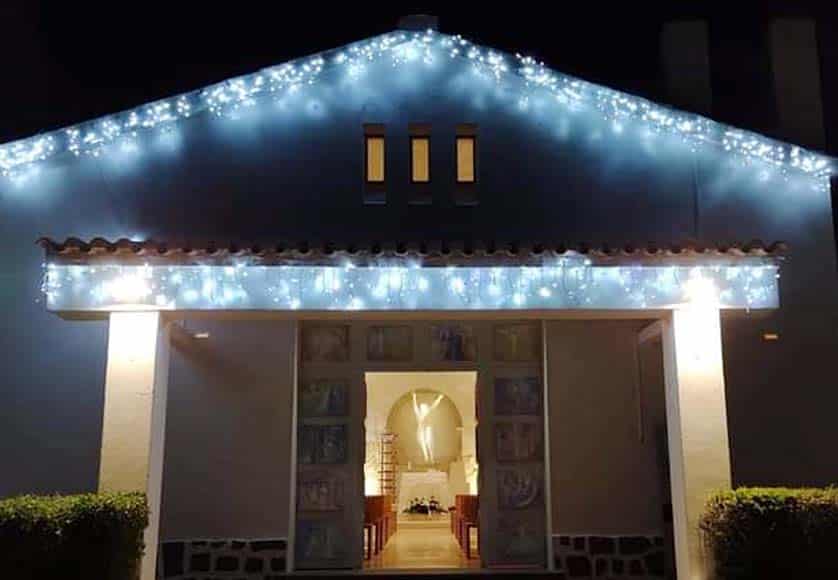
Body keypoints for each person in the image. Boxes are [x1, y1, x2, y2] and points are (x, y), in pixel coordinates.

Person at [412, 391, 444, 464]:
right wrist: (414, 397)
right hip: (421, 429)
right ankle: (426, 457)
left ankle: (431, 458)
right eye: (421, 408)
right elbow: (415, 407)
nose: (422, 409)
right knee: (423, 443)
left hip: (427, 429)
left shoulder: (428, 413)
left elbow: (433, 406)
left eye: (424, 408)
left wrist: (439, 398)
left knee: (429, 443)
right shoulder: (419, 415)